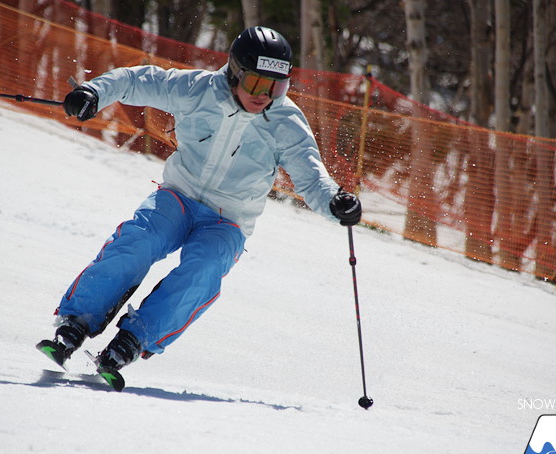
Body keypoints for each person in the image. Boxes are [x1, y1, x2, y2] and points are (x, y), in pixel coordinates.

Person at [41, 26, 362, 377]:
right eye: (256, 83)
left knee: (204, 270)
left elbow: (312, 178)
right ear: (235, 73)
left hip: (229, 220)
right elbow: (136, 81)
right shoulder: (198, 90)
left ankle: (133, 341)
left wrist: (335, 201)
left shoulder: (286, 122)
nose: (265, 96)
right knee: (138, 241)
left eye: (277, 87)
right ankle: (76, 323)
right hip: (179, 196)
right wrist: (93, 92)